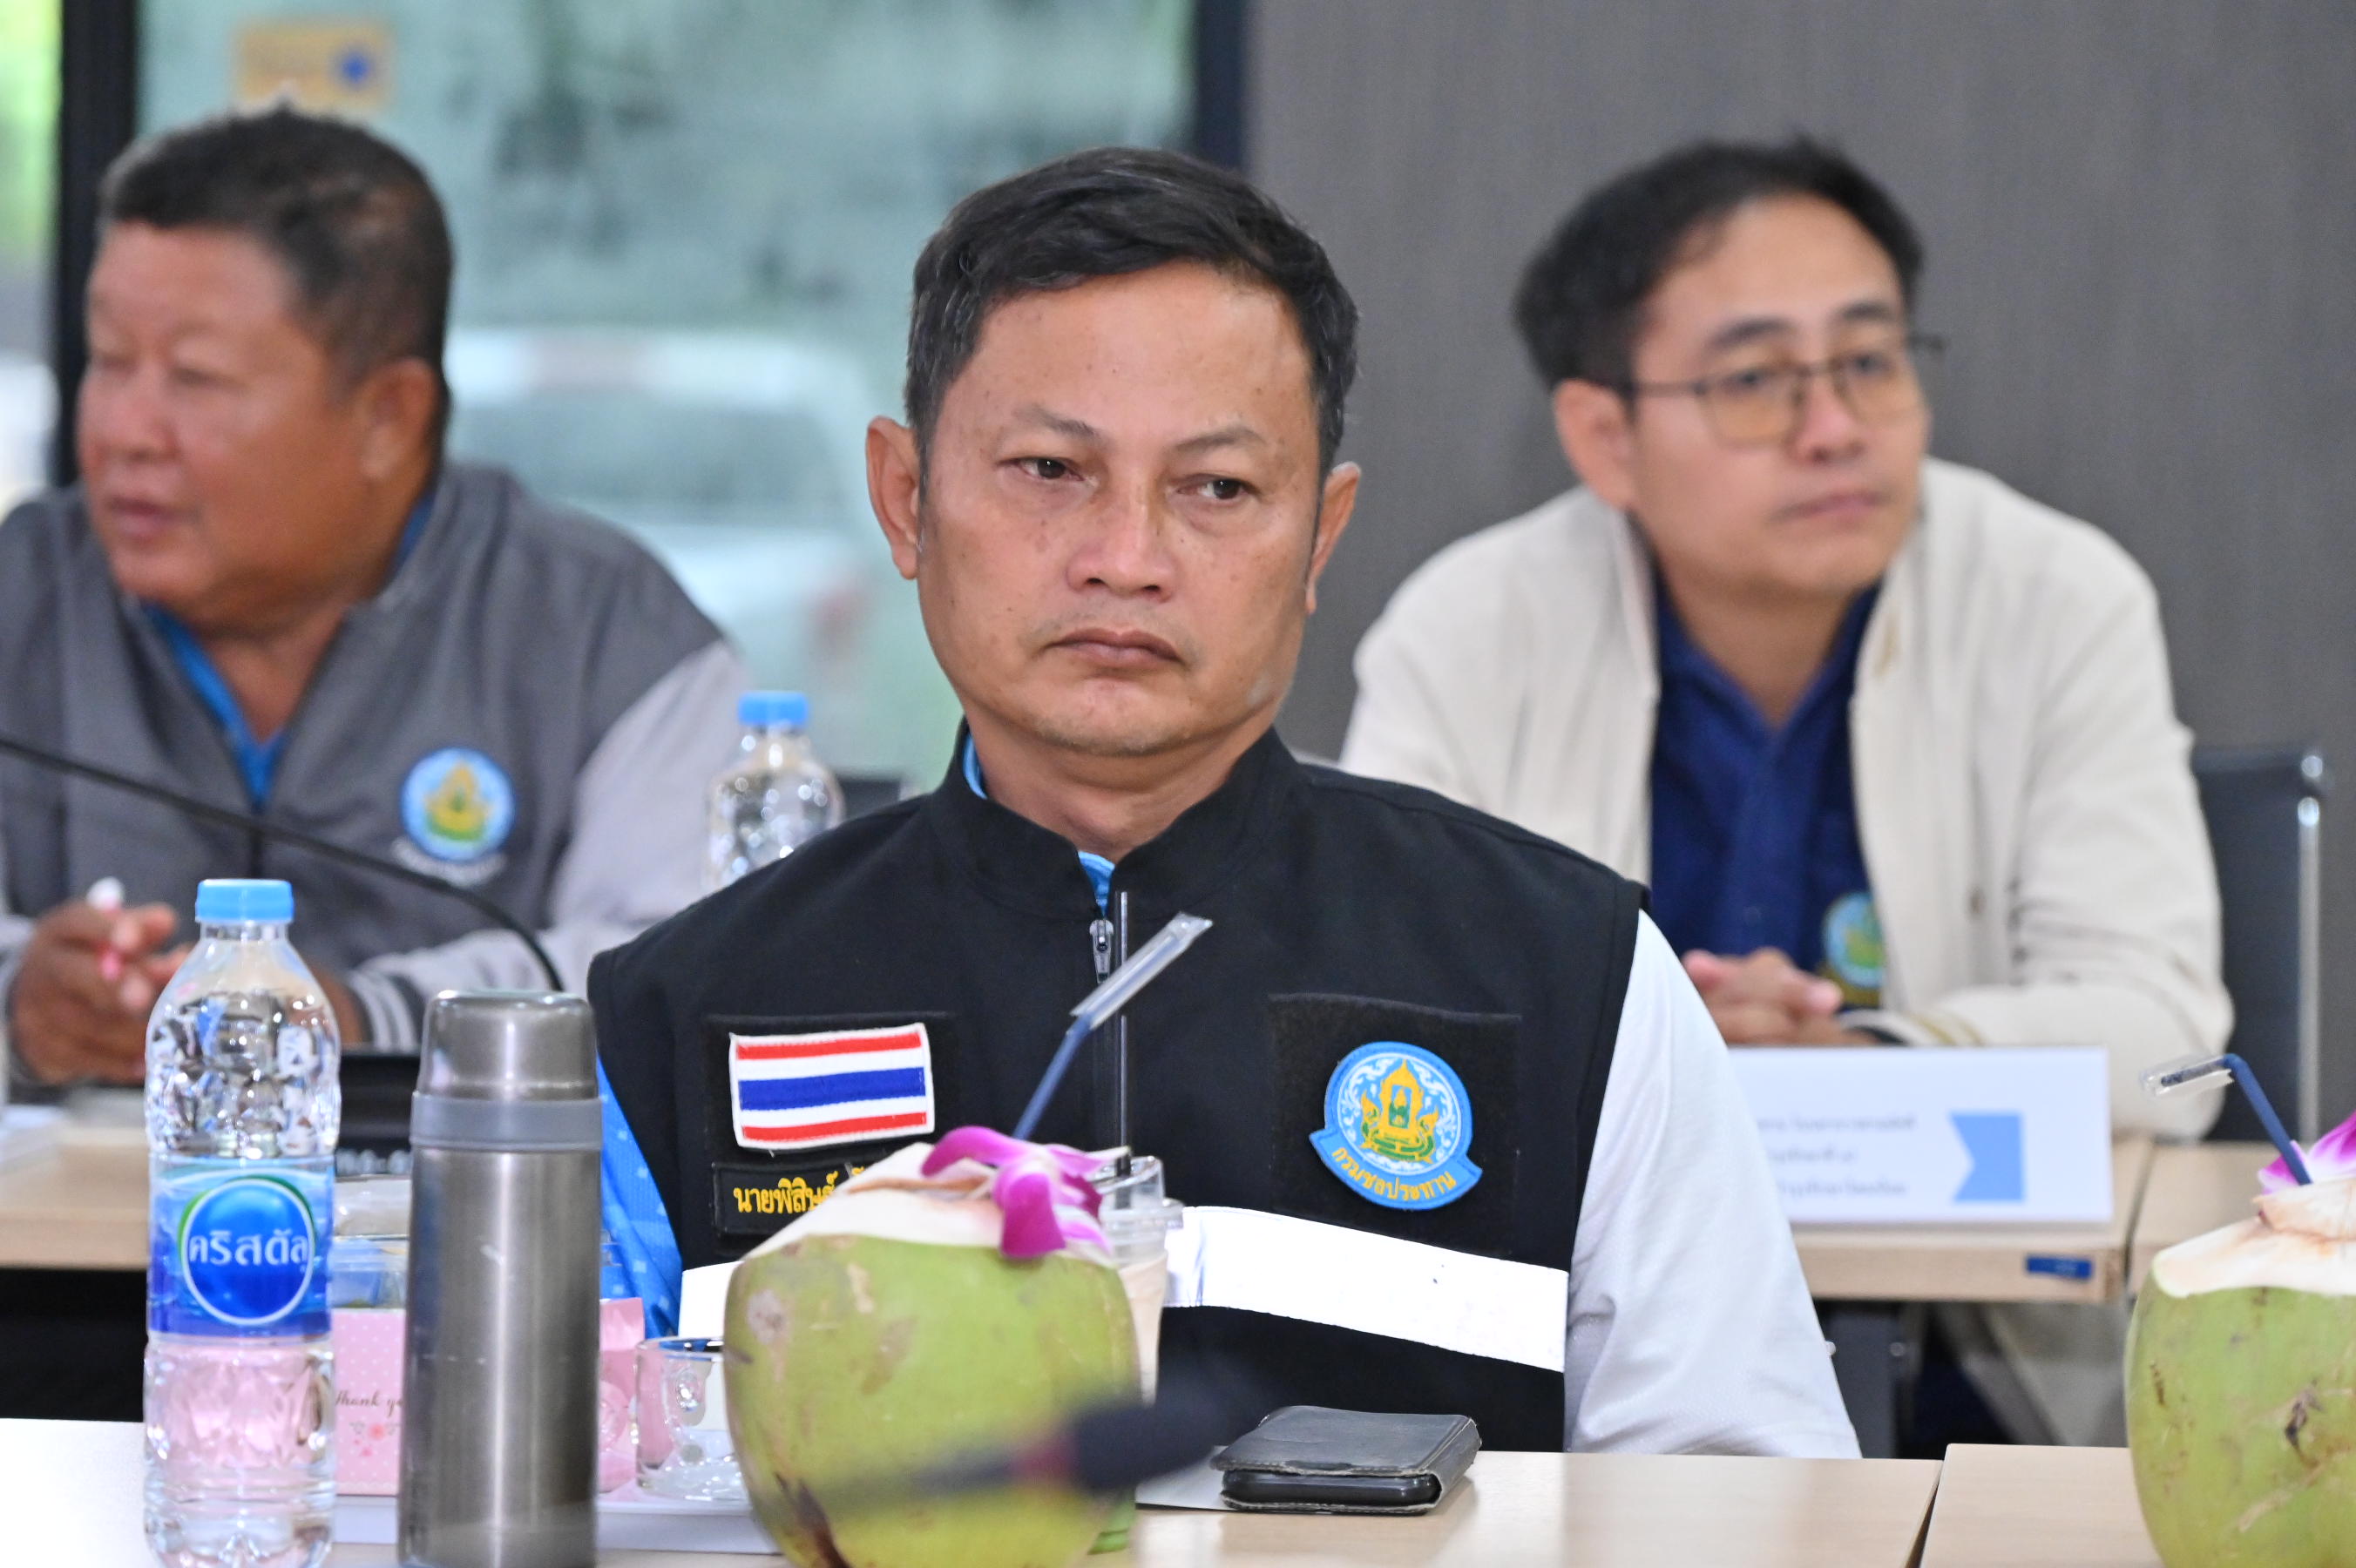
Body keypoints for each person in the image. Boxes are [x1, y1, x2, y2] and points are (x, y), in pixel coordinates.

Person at [591, 146, 1857, 1456]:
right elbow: (585, 1501)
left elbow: (1744, 1505)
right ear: (907, 501)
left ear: (1319, 538)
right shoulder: (675, 1016)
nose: (1127, 558)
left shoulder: (1569, 972)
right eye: (1049, 469)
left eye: (1218, 489)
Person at [1341, 139, 2228, 1443]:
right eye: (1754, 380)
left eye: (1868, 360)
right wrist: (1659, 1054)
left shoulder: (2056, 600)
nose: (1834, 429)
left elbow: (2164, 1035)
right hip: (1572, 1387)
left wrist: (1862, 1058)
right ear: (1604, 436)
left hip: (1987, 1384)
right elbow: (1373, 1025)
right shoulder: (1469, 631)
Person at [0, 107, 744, 1088]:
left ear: (388, 416)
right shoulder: (23, 595)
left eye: (195, 377)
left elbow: (693, 971)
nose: (127, 431)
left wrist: (360, 1019)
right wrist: (19, 1001)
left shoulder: (611, 634)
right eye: (108, 359)